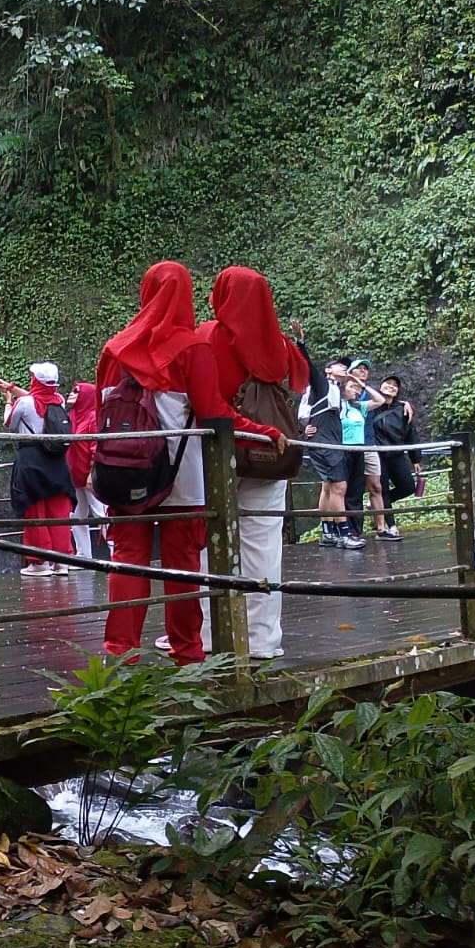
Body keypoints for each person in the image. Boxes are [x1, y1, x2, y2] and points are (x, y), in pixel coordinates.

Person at [96, 261, 283, 664]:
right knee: (183, 564)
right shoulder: (191, 347)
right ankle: (186, 650)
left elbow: (101, 411)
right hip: (181, 476)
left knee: (129, 559)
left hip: (124, 472)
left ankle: (120, 651)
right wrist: (261, 430)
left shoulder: (114, 349)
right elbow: (213, 411)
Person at [195, 268, 308, 660]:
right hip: (269, 452)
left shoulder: (209, 335)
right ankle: (262, 640)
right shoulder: (278, 343)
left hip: (219, 453)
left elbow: (200, 393)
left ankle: (211, 635)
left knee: (211, 544)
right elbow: (300, 382)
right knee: (264, 546)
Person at [3, 363, 76, 577]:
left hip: (32, 460)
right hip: (57, 461)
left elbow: (10, 423)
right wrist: (12, 387)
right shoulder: (60, 400)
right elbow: (42, 398)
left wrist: (8, 401)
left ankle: (39, 562)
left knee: (35, 509)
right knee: (59, 510)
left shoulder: (23, 403)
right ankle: (62, 561)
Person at [301, 358, 353, 548]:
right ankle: (344, 534)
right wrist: (301, 344)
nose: (345, 368)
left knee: (329, 487)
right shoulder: (322, 385)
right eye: (341, 365)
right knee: (339, 487)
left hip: (327, 441)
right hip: (325, 444)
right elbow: (309, 368)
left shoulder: (336, 389)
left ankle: (328, 532)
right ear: (328, 370)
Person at [371, 376, 422, 539]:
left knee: (408, 487)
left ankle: (377, 505)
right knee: (382, 490)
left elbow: (411, 434)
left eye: (395, 386)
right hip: (377, 455)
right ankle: (391, 526)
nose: (391, 387)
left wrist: (415, 459)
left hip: (396, 454)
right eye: (388, 383)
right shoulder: (371, 407)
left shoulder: (403, 409)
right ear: (380, 385)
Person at [341, 375, 389, 544]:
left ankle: (356, 531)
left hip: (360, 450)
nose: (355, 390)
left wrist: (362, 384)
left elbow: (380, 400)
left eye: (356, 388)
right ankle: (343, 530)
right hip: (343, 450)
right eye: (351, 387)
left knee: (356, 491)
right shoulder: (337, 406)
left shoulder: (358, 407)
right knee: (342, 491)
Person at [66, 382, 107, 562]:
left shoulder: (92, 417)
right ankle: (83, 556)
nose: (71, 393)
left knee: (100, 513)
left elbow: (96, 447)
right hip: (75, 476)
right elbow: (38, 399)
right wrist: (11, 389)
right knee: (76, 516)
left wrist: (92, 473)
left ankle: (116, 552)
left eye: (76, 391)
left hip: (89, 475)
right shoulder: (71, 416)